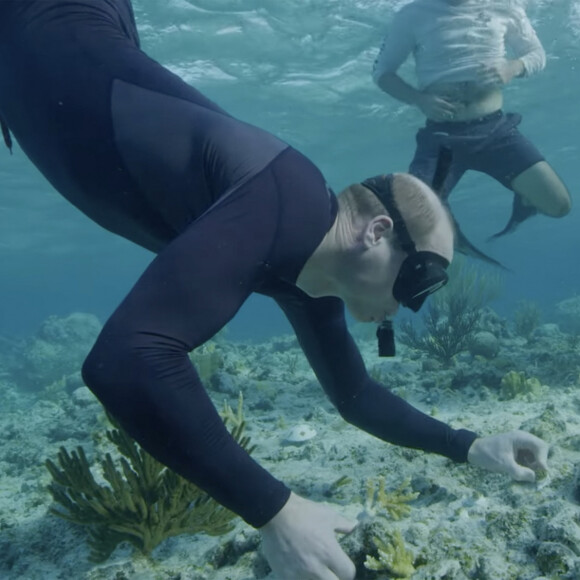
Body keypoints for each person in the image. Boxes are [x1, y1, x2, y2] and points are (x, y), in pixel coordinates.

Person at [0, 1, 549, 579]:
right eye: (422, 278)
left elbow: (355, 396)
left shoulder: (303, 266)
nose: (410, 305)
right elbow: (124, 362)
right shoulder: (281, 199)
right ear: (376, 231)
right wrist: (277, 514)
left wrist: (469, 444)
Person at [372, 0, 571, 265]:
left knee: (559, 206)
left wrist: (512, 68)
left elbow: (536, 54)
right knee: (410, 220)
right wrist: (419, 99)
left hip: (497, 133)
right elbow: (382, 73)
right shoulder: (412, 14)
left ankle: (524, 197)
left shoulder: (506, 6)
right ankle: (450, 230)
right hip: (442, 140)